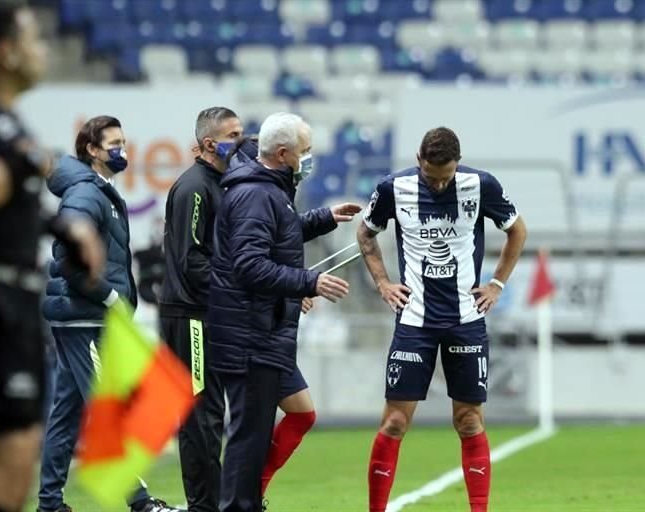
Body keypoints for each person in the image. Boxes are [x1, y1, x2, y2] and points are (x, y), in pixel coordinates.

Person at [0, 3, 104, 512]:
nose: (44, 50)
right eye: (33, 40)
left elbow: (2, 202)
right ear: (6, 51)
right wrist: (21, 165)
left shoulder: (5, 122)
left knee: (12, 472)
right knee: (4, 464)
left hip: (9, 306)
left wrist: (61, 227)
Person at [357, 127, 528, 512]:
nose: (438, 185)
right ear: (419, 160)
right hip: (414, 321)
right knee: (395, 423)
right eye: (431, 177)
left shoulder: (480, 185)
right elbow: (365, 234)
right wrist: (383, 282)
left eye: (446, 177)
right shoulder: (392, 189)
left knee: (468, 420)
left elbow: (517, 230)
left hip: (466, 320)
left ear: (458, 163)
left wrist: (497, 283)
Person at [208, 112, 359, 512]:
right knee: (247, 435)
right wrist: (308, 282)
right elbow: (250, 265)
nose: (309, 159)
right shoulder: (258, 194)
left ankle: (246, 503)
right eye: (305, 151)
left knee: (254, 434)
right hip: (250, 334)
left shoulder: (268, 190)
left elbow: (281, 232)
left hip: (261, 331)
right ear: (282, 154)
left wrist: (325, 219)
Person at [38, 116, 183, 512]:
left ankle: (49, 503)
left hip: (81, 318)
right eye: (114, 143)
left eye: (123, 141)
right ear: (93, 150)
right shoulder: (86, 194)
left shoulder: (96, 192)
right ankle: (140, 502)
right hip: (84, 319)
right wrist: (108, 297)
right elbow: (69, 257)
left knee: (66, 416)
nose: (123, 149)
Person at [159, 106, 243, 512]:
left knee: (212, 412)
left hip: (211, 313)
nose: (241, 140)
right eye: (233, 134)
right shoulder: (194, 187)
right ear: (210, 143)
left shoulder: (222, 183)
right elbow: (192, 260)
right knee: (199, 416)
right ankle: (204, 506)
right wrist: (239, 288)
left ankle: (216, 500)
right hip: (190, 315)